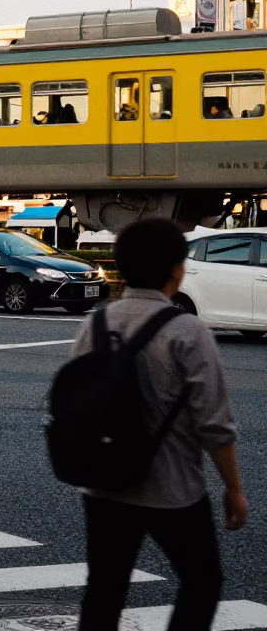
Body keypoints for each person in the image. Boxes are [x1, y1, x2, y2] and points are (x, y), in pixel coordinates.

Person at [73, 219, 247, 631]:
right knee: (202, 582)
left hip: (103, 483)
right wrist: (234, 489)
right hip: (172, 488)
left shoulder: (94, 325)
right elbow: (215, 425)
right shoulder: (187, 331)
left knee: (105, 589)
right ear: (175, 269)